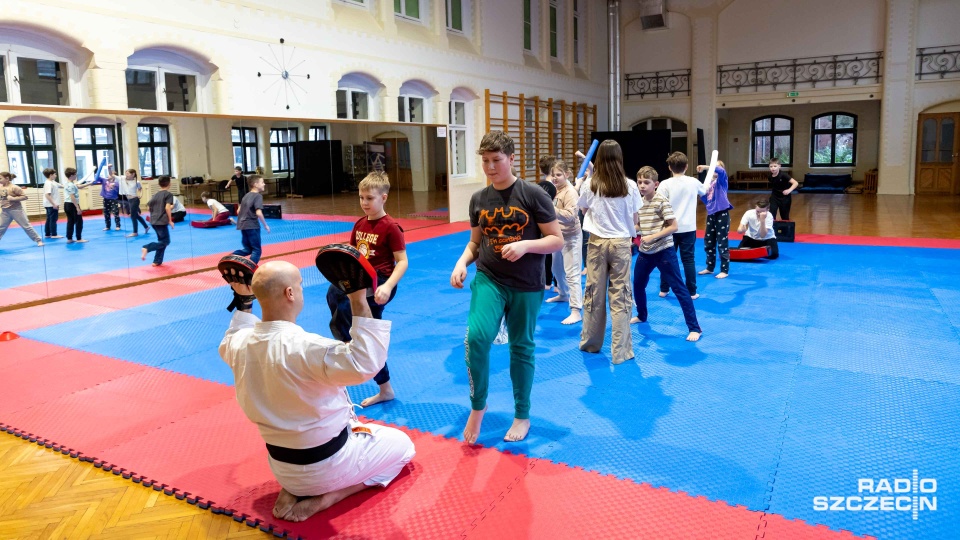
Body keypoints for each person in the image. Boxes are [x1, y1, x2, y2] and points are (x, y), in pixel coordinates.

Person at [219, 260, 415, 522]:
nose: (301, 290)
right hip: (328, 466)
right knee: (404, 447)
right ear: (290, 293)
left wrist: (244, 300)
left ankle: (296, 489)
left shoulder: (238, 344)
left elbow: (236, 331)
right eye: (299, 285)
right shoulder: (309, 347)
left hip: (282, 468)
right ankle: (332, 495)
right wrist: (358, 297)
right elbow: (367, 363)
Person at [451, 130, 562, 444]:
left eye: (496, 160)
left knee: (521, 347)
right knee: (477, 337)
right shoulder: (478, 200)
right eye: (485, 161)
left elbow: (557, 240)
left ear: (511, 159)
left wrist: (526, 246)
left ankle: (522, 413)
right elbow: (475, 243)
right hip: (490, 278)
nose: (489, 167)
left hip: (527, 284)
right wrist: (462, 262)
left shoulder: (533, 194)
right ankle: (478, 406)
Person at [326, 172, 407, 408]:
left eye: (369, 198)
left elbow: (402, 261)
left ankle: (380, 383)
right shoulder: (360, 223)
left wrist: (387, 285)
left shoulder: (391, 227)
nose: (364, 203)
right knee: (333, 294)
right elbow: (354, 253)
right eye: (361, 198)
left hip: (379, 281)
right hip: (359, 277)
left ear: (384, 198)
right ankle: (349, 346)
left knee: (369, 336)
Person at [577, 140, 643, 364]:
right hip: (621, 243)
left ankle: (591, 343)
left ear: (599, 159)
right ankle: (621, 351)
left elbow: (584, 209)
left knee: (594, 295)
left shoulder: (591, 184)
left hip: (596, 243)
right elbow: (635, 219)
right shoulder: (630, 185)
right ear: (619, 158)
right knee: (621, 296)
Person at [631, 166, 702, 342]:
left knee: (679, 289)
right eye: (639, 182)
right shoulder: (639, 202)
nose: (642, 185)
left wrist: (652, 236)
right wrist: (633, 229)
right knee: (638, 284)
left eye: (646, 182)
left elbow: (673, 226)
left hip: (664, 251)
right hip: (646, 252)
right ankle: (642, 315)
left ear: (655, 184)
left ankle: (695, 328)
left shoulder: (662, 201)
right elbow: (640, 225)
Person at [657, 152, 707, 300]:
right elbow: (704, 191)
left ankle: (664, 289)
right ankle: (692, 291)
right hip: (688, 228)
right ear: (686, 166)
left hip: (669, 227)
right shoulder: (693, 182)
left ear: (669, 167)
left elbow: (658, 204)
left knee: (667, 258)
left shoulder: (664, 184)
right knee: (688, 260)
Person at [546, 159, 583, 325]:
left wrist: (552, 209)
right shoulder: (554, 190)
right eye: (553, 175)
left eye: (559, 175)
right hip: (557, 236)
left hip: (571, 237)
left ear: (567, 174)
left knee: (572, 273)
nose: (555, 178)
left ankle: (576, 310)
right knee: (556, 269)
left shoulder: (570, 192)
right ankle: (563, 294)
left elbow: (570, 216)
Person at [697, 161, 733, 279]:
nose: (716, 169)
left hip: (722, 213)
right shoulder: (709, 184)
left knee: (722, 242)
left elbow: (721, 171)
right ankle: (710, 267)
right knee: (709, 241)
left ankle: (724, 270)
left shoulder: (722, 182)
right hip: (711, 214)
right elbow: (705, 199)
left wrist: (707, 167)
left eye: (717, 167)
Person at [233, 174, 270, 263]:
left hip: (243, 225)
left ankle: (231, 257)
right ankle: (249, 269)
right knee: (257, 250)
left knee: (247, 249)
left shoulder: (246, 196)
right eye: (262, 182)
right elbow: (258, 212)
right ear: (255, 184)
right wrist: (265, 225)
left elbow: (238, 211)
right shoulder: (258, 196)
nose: (264, 184)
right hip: (252, 225)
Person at [0, 172, 44, 247]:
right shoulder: (1, 187)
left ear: (7, 178)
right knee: (1, 227)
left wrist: (13, 199)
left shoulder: (14, 187)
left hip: (16, 210)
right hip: (5, 211)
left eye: (0, 178)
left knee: (26, 226)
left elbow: (25, 197)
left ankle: (38, 240)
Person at [141, 176, 174, 266]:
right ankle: (147, 247)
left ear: (159, 184)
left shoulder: (155, 195)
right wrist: (170, 220)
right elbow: (167, 207)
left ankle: (157, 261)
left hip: (153, 221)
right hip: (161, 221)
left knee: (161, 241)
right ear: (169, 184)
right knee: (165, 242)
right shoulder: (168, 194)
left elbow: (148, 207)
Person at [537, 155, 559, 291]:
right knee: (556, 255)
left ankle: (547, 282)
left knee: (546, 254)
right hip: (553, 222)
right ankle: (557, 283)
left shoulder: (538, 186)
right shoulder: (556, 186)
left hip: (541, 223)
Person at [116, 167, 150, 237]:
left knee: (133, 216)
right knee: (136, 215)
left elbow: (140, 189)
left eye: (128, 173)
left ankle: (135, 232)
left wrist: (140, 195)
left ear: (133, 174)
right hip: (129, 200)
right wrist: (109, 169)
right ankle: (146, 227)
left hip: (134, 200)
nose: (126, 175)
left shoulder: (136, 182)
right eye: (126, 173)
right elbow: (113, 176)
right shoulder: (125, 180)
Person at [63, 167, 92, 243]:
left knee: (70, 221)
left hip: (66, 204)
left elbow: (79, 186)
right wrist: (77, 208)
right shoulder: (71, 185)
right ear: (71, 175)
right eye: (75, 174)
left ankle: (69, 238)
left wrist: (89, 183)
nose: (76, 176)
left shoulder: (67, 183)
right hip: (72, 204)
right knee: (79, 221)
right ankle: (79, 238)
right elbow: (72, 196)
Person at [42, 168, 63, 239]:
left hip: (50, 204)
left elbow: (61, 185)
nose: (56, 175)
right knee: (53, 219)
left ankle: (47, 233)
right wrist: (54, 204)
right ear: (51, 175)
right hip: (51, 204)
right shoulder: (48, 183)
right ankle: (54, 234)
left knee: (49, 219)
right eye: (55, 174)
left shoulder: (53, 182)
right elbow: (47, 195)